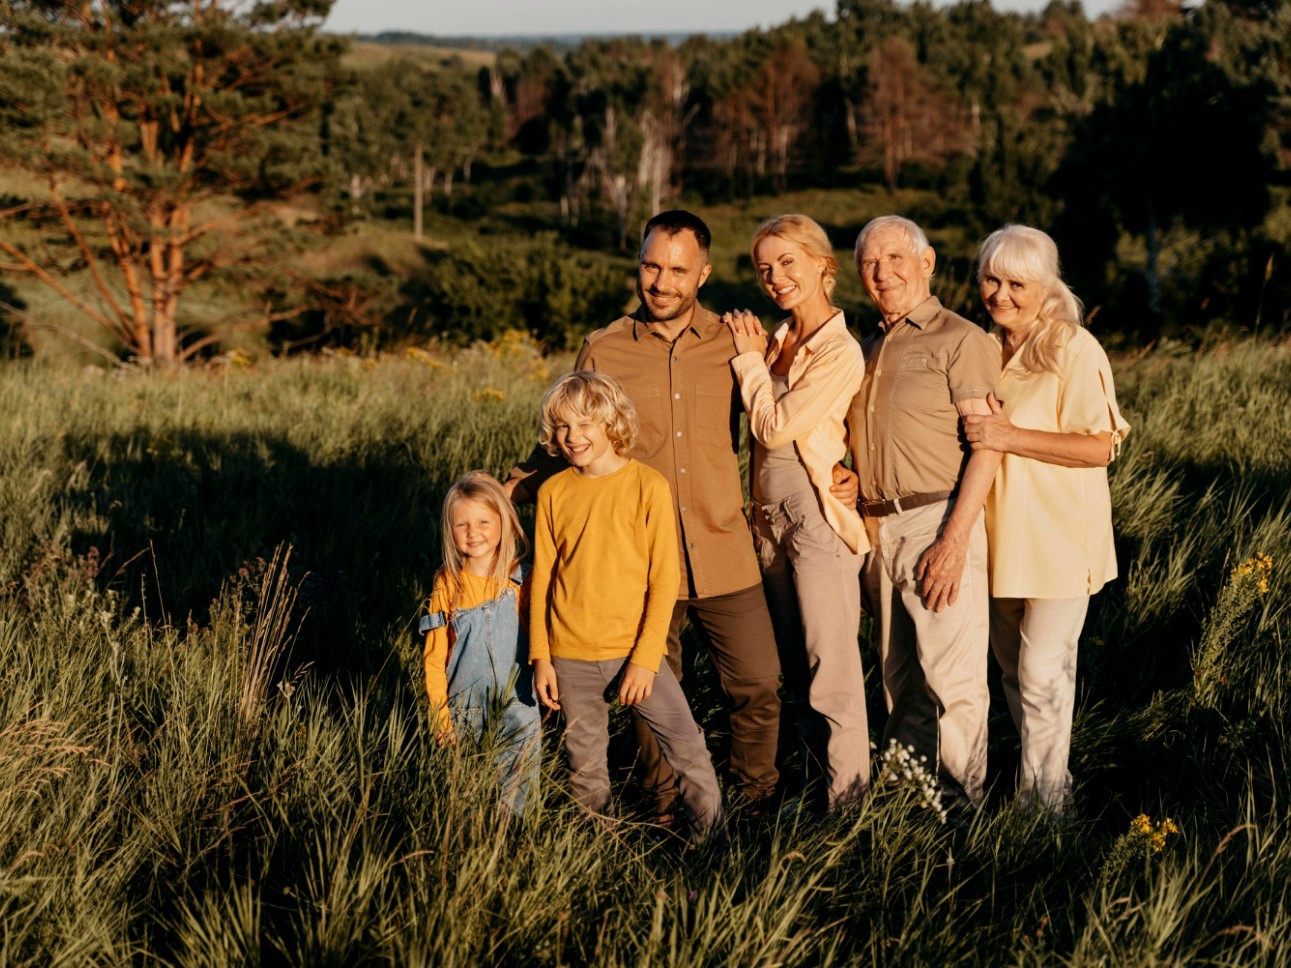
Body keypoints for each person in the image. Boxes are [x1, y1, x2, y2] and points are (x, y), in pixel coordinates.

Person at [506, 210, 815, 820]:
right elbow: (572, 439)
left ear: (702, 274)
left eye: (678, 269)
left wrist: (842, 473)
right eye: (652, 265)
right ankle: (663, 810)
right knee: (644, 693)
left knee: (756, 683)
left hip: (724, 548)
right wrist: (505, 489)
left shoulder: (737, 342)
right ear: (638, 265)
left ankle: (752, 803)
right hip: (637, 563)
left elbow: (783, 426)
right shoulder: (605, 346)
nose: (663, 281)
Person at [963, 224, 1131, 813]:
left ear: (1045, 286)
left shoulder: (1071, 347)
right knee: (1013, 674)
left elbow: (1100, 446)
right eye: (991, 278)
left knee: (1040, 672)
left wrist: (1010, 435)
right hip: (998, 540)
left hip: (1060, 540)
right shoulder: (980, 348)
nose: (1001, 294)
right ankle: (1039, 789)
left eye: (1016, 283)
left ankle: (1045, 807)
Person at [528, 371, 725, 842]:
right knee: (585, 763)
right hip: (569, 656)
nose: (572, 437)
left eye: (583, 425)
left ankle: (709, 845)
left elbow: (664, 581)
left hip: (636, 653)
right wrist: (541, 657)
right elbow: (542, 580)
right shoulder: (554, 492)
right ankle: (599, 852)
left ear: (611, 422)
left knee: (688, 748)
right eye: (561, 428)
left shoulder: (647, 486)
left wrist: (642, 660)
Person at [848, 215, 1002, 810]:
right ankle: (910, 805)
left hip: (938, 521)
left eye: (894, 258)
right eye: (869, 263)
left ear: (927, 261)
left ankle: (963, 810)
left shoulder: (960, 339)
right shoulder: (866, 349)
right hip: (877, 528)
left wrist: (955, 540)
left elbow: (986, 446)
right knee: (900, 681)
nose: (882, 272)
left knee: (954, 682)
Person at [723, 214, 870, 812]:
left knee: (830, 667)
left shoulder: (840, 350)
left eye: (787, 262)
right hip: (766, 519)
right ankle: (816, 793)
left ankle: (849, 807)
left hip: (813, 515)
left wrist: (750, 361)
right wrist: (758, 355)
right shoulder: (779, 340)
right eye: (765, 268)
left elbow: (776, 426)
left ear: (821, 265)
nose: (775, 277)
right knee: (796, 669)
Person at [421, 471, 541, 815]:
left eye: (484, 522)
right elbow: (433, 659)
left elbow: (543, 640)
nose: (474, 533)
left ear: (503, 522)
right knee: (466, 799)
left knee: (516, 802)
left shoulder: (523, 578)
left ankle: (511, 851)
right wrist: (440, 718)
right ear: (450, 531)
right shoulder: (447, 584)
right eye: (463, 525)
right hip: (465, 712)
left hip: (520, 707)